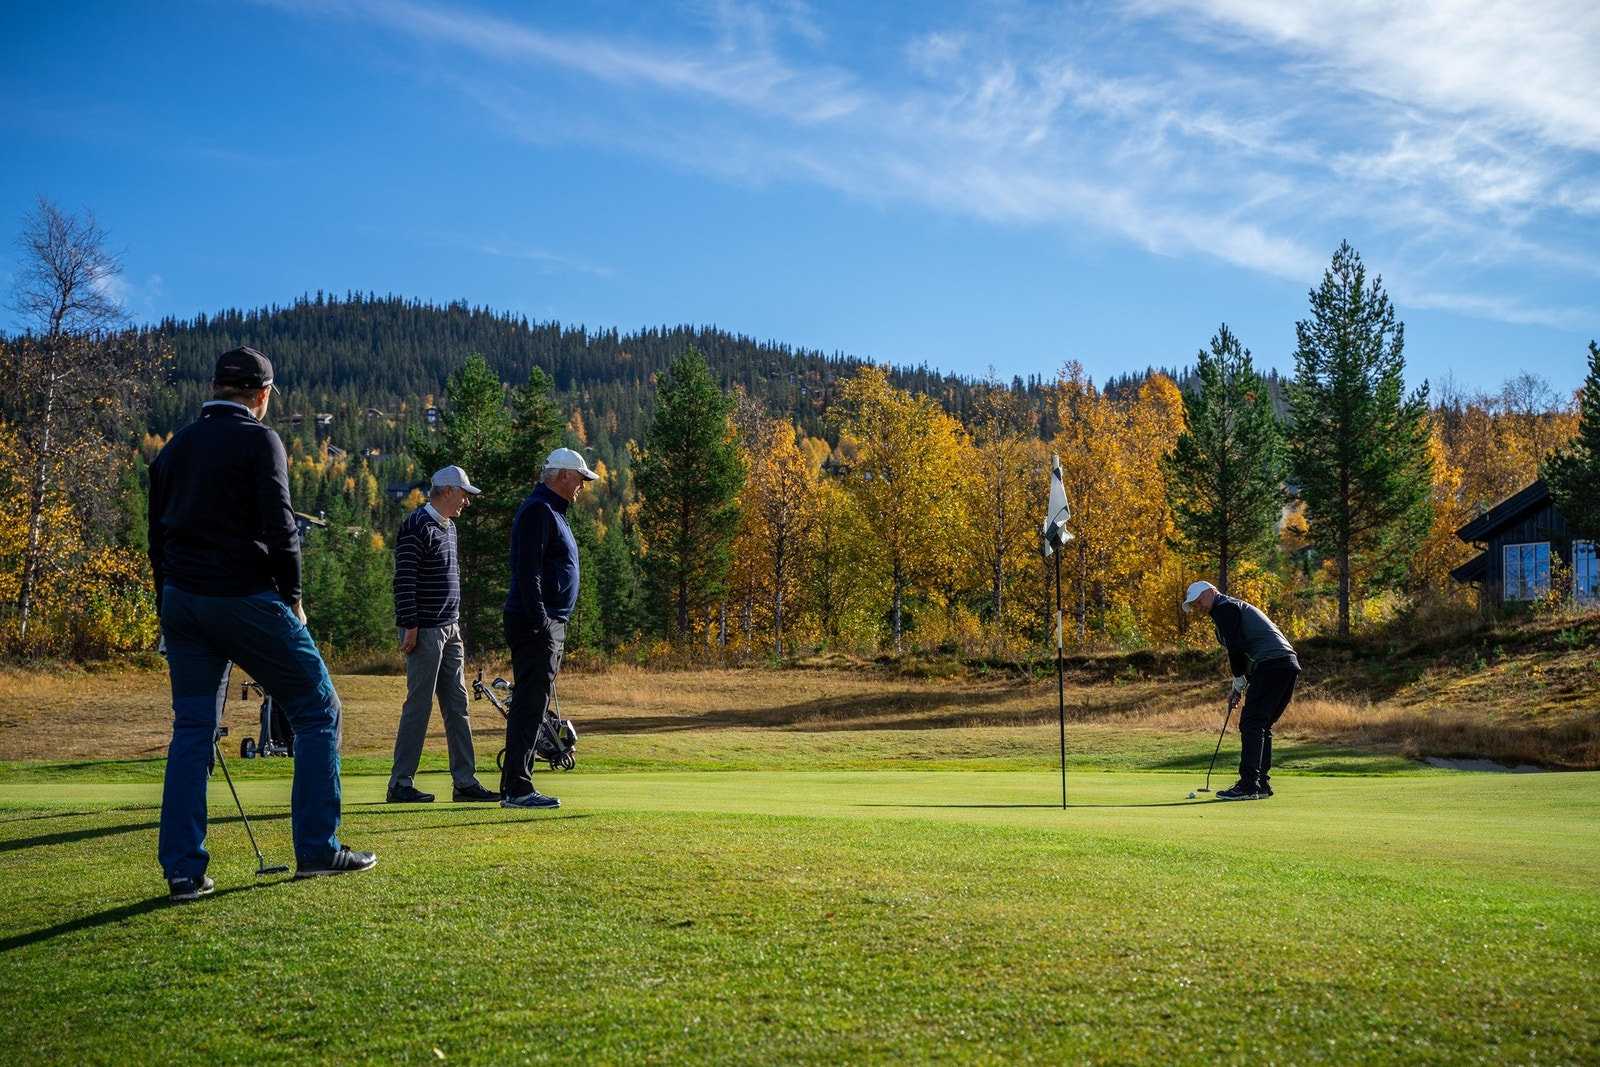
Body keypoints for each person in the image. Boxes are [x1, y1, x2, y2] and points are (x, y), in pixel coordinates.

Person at [149, 346, 375, 901]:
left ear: (214, 386)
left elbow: (156, 540)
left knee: (192, 729)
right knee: (318, 707)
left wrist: (167, 606)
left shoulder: (174, 446)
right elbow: (281, 529)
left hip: (181, 599)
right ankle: (318, 850)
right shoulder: (259, 439)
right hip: (242, 596)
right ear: (263, 394)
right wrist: (294, 599)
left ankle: (183, 872)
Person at [386, 465, 500, 804]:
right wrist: (409, 624)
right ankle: (400, 784)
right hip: (424, 629)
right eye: (464, 494)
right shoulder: (416, 525)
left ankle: (465, 782)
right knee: (418, 706)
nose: (467, 501)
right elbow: (403, 580)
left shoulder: (448, 527)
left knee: (458, 704)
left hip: (451, 627)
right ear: (447, 492)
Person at [500, 447, 597, 809]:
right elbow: (529, 571)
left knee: (533, 702)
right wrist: (541, 620)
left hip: (546, 621)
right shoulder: (540, 510)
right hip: (536, 622)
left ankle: (516, 785)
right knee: (529, 704)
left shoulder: (551, 510)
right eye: (580, 478)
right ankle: (518, 788)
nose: (582, 486)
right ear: (561, 476)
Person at [1182, 580, 1301, 801]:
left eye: (1199, 601)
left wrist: (1238, 680)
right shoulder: (1231, 608)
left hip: (1272, 664)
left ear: (1211, 592)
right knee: (1261, 724)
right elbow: (1246, 651)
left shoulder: (1223, 607)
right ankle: (1261, 784)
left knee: (1252, 722)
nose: (1198, 607)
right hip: (1286, 665)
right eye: (1194, 605)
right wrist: (1239, 685)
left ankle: (1248, 785)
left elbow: (1236, 648)